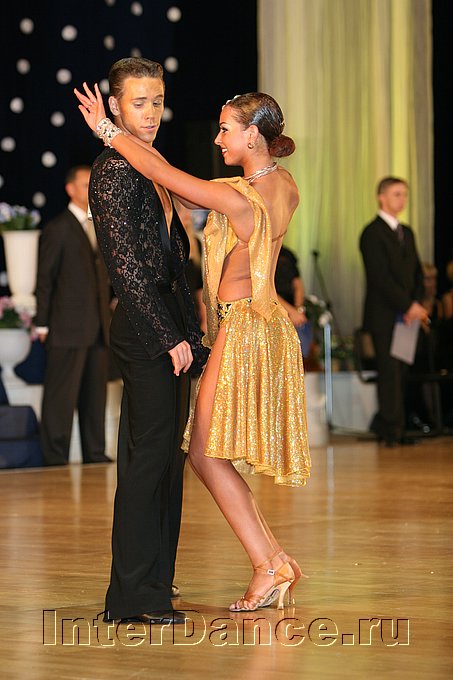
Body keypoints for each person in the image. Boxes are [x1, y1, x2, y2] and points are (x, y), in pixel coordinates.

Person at [75, 83, 311, 613]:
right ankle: (273, 560)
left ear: (254, 136)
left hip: (242, 325)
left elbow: (164, 176)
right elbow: (176, 181)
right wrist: (139, 142)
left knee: (203, 454)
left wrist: (108, 130)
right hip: (261, 323)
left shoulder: (238, 199)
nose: (218, 138)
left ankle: (267, 564)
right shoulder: (282, 185)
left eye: (227, 130)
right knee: (205, 452)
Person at [76, 59, 208, 626]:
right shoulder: (112, 170)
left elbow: (175, 262)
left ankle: (154, 582)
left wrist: (191, 330)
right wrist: (166, 336)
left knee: (167, 463)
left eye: (157, 101)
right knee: (148, 460)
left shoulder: (148, 163)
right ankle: (131, 596)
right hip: (146, 329)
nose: (151, 112)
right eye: (138, 102)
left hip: (170, 325)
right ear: (114, 106)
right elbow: (125, 268)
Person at [35, 166, 112, 465]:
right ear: (70, 189)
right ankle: (55, 456)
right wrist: (42, 324)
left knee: (95, 395)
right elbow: (45, 279)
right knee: (61, 397)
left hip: (97, 326)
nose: (90, 189)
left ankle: (95, 452)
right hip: (66, 327)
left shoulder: (100, 225)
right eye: (84, 184)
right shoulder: (58, 228)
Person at [359, 177, 429, 447]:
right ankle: (390, 430)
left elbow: (418, 273)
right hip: (385, 316)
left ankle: (399, 427)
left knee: (402, 372)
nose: (402, 199)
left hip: (407, 316)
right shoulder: (371, 233)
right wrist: (408, 305)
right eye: (397, 194)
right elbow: (380, 277)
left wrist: (417, 303)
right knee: (388, 372)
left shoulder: (407, 232)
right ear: (382, 197)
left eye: (404, 194)